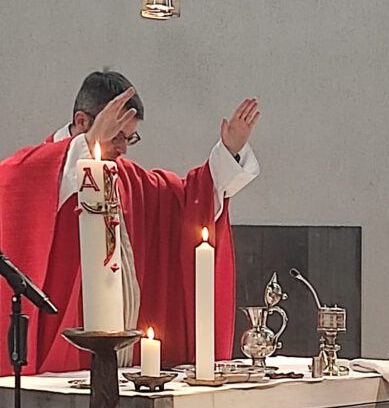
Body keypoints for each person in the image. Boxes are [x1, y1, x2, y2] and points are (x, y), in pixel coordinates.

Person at [0, 70, 260, 374]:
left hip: (127, 359)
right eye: (117, 136)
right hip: (61, 360)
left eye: (130, 138)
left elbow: (190, 200)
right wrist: (89, 145)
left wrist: (228, 152)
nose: (123, 148)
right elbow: (18, 189)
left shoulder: (128, 179)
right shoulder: (41, 172)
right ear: (82, 122)